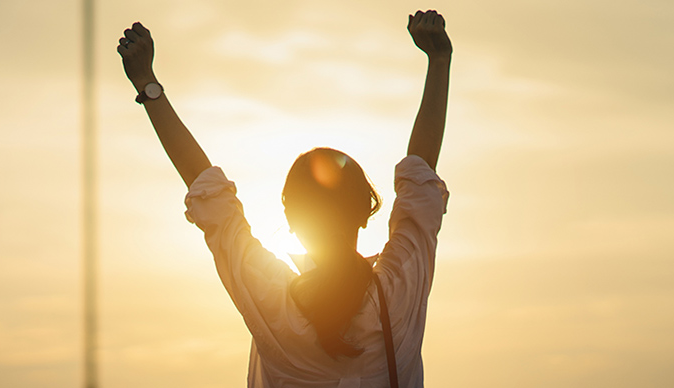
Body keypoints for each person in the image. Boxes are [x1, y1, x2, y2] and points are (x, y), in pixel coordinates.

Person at [117, 9, 452, 388]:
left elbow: (205, 187)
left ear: (291, 221)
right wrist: (439, 60)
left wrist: (147, 82)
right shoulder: (399, 293)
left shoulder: (274, 303)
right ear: (366, 210)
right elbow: (419, 177)